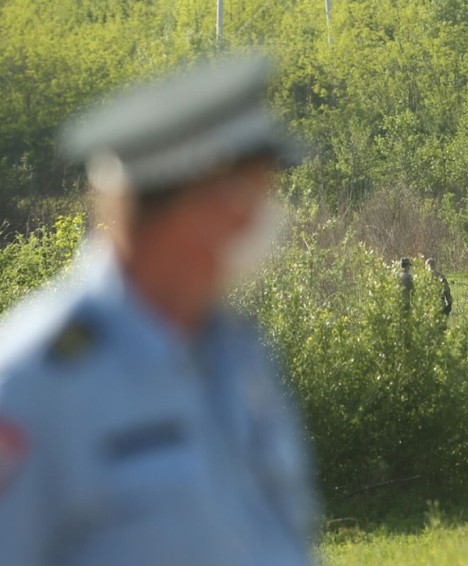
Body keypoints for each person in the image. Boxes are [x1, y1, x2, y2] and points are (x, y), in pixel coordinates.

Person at [0, 57, 316, 565]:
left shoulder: (238, 349)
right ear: (204, 204)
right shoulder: (33, 381)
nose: (267, 219)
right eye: (258, 194)